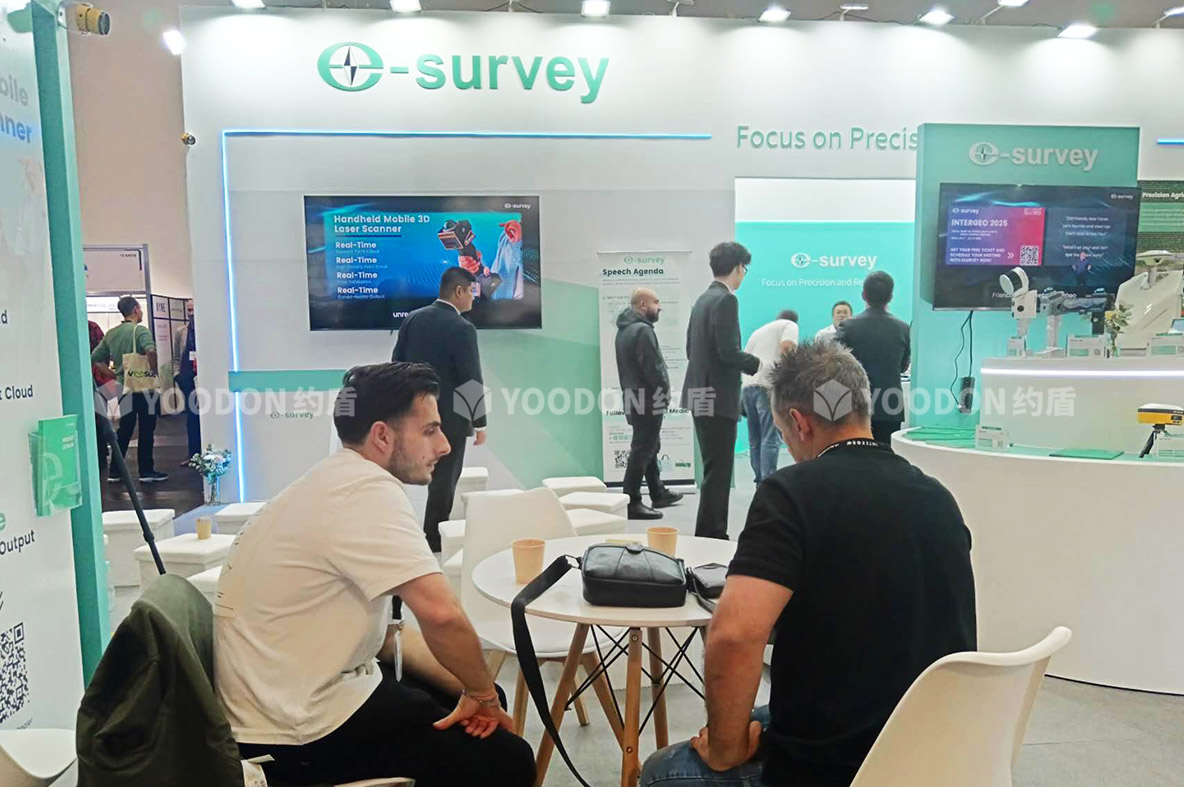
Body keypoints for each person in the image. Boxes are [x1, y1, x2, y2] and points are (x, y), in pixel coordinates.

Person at [640, 341, 976, 787]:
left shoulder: (790, 494)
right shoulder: (937, 496)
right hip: (938, 749)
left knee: (663, 772)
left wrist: (725, 750)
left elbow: (735, 635)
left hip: (838, 763)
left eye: (783, 433)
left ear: (800, 423)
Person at [215, 362, 535, 787]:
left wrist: (479, 689)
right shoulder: (365, 492)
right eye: (430, 430)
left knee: (465, 698)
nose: (444, 445)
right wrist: (482, 693)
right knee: (508, 759)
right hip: (295, 731)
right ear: (382, 436)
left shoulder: (330, 480)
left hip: (280, 704)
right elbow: (441, 615)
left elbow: (386, 635)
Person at [393, 267, 487, 552]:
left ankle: (409, 535)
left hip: (414, 415)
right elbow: (470, 378)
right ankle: (434, 540)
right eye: (471, 291)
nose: (473, 298)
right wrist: (479, 422)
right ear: (458, 291)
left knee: (404, 477)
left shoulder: (412, 318)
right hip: (451, 420)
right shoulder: (462, 328)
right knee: (445, 480)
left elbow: (396, 366)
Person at [683, 242, 761, 540]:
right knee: (720, 471)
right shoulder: (727, 300)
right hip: (717, 397)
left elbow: (691, 349)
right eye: (744, 269)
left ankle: (708, 532)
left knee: (713, 469)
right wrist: (757, 364)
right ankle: (713, 534)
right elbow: (728, 352)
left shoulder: (703, 299)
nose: (744, 275)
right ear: (738, 267)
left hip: (699, 393)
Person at [615, 287, 684, 520]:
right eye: (656, 302)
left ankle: (658, 492)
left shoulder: (624, 330)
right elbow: (654, 369)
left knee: (650, 445)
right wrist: (664, 394)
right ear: (643, 305)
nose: (659, 307)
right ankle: (631, 501)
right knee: (642, 449)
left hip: (634, 398)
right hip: (648, 399)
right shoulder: (643, 331)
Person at [90, 296, 168, 483]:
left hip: (123, 387)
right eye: (140, 309)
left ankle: (115, 471)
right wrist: (153, 371)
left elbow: (95, 358)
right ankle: (146, 470)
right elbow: (150, 350)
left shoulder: (112, 333)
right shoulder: (140, 331)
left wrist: (114, 374)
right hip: (145, 389)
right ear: (135, 310)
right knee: (147, 428)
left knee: (125, 427)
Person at [837, 272, 910, 446]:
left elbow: (837, 366)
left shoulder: (848, 327)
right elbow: (903, 366)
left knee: (854, 456)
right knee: (885, 457)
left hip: (854, 406)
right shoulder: (903, 328)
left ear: (864, 295)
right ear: (890, 297)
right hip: (889, 406)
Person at [741, 310, 798, 484]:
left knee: (755, 438)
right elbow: (787, 348)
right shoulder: (790, 325)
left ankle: (760, 481)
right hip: (767, 384)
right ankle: (768, 481)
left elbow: (743, 361)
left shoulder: (757, 332)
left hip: (748, 386)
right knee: (770, 436)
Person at [172, 300, 201, 463]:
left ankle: (207, 452)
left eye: (193, 309)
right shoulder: (181, 332)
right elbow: (176, 356)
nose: (191, 313)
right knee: (192, 415)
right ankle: (193, 454)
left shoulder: (207, 331)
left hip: (205, 378)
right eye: (189, 310)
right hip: (187, 377)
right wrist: (177, 375)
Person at [89, 320, 116, 478]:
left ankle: (100, 455)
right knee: (99, 418)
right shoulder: (92, 327)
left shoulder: (90, 327)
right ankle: (101, 456)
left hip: (92, 380)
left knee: (95, 419)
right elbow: (102, 354)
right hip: (97, 380)